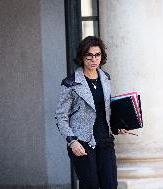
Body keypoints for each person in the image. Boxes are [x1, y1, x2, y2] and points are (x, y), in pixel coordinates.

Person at [55, 36, 128, 189]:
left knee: (110, 184)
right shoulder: (70, 83)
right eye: (89, 55)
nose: (93, 59)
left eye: (97, 55)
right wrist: (72, 141)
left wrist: (117, 126)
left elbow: (105, 109)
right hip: (82, 142)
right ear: (82, 56)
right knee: (90, 185)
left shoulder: (106, 78)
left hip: (105, 140)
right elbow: (60, 117)